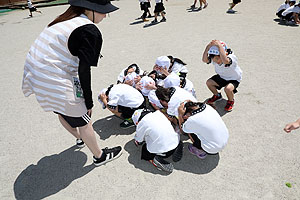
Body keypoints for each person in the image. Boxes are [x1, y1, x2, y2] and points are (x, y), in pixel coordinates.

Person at [22, 0, 122, 166]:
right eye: (103, 10)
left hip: (36, 75)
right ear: (89, 9)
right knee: (84, 119)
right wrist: (88, 102)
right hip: (53, 78)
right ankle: (99, 156)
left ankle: (79, 139)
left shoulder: (63, 20)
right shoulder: (89, 30)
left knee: (61, 111)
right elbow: (84, 70)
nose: (105, 15)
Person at [202, 40, 242, 112]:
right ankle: (217, 95)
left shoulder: (231, 57)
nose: (216, 61)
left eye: (217, 58)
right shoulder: (214, 59)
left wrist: (219, 46)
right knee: (209, 82)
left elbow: (226, 61)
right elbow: (204, 60)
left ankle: (231, 101)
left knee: (228, 89)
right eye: (214, 59)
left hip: (234, 79)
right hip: (222, 77)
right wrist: (208, 47)